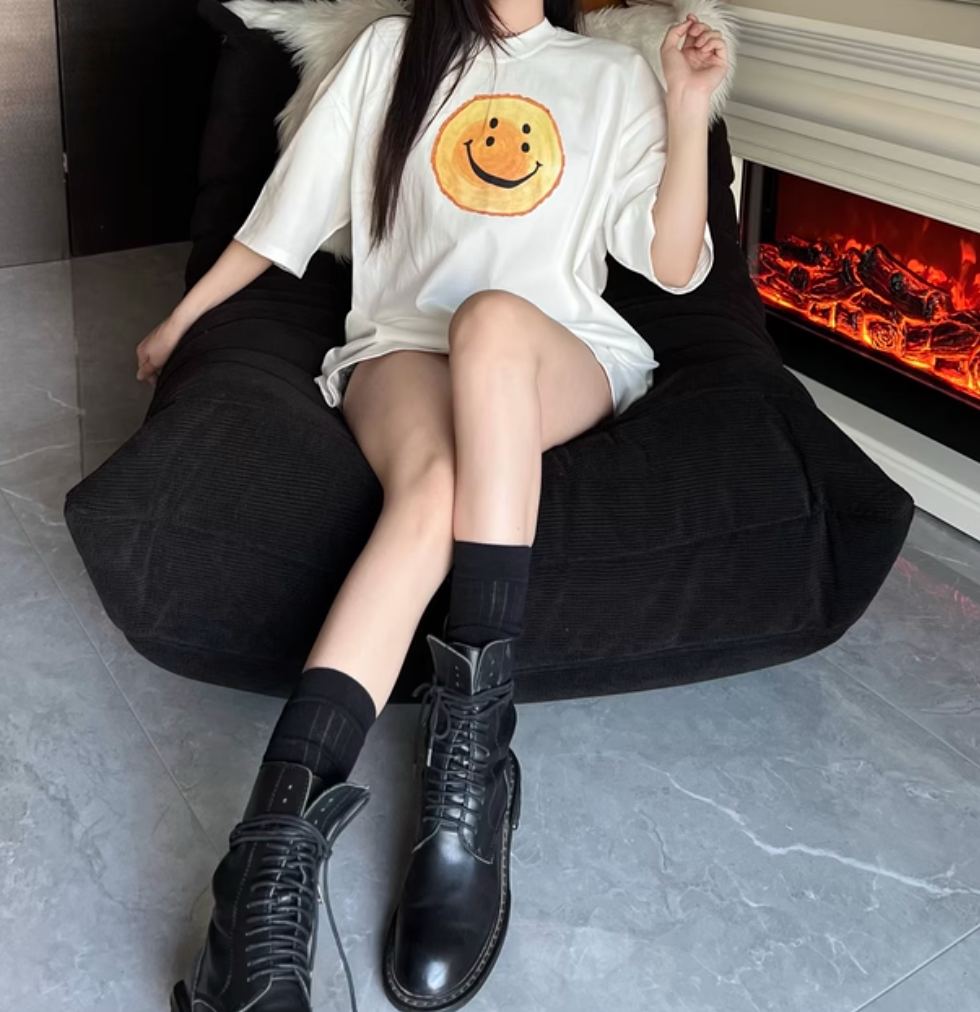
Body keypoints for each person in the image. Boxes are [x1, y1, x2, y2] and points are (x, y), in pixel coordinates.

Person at [144, 1, 728, 1009]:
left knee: (493, 321)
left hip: (555, 352)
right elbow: (285, 212)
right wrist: (181, 320)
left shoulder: (608, 74)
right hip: (404, 349)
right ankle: (265, 868)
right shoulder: (390, 53)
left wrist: (685, 108)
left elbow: (672, 266)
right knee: (431, 495)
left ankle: (471, 759)